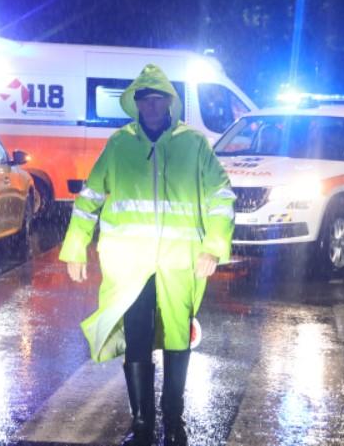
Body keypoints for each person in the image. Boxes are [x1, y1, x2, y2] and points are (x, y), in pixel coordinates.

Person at [59, 64, 235, 446]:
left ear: (169, 103)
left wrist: (214, 246)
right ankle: (142, 423)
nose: (152, 106)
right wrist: (76, 246)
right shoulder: (120, 144)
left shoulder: (194, 144)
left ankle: (173, 420)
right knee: (137, 335)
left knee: (177, 336)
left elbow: (221, 197)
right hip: (129, 262)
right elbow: (89, 197)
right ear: (135, 103)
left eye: (158, 99)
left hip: (180, 260)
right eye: (145, 99)